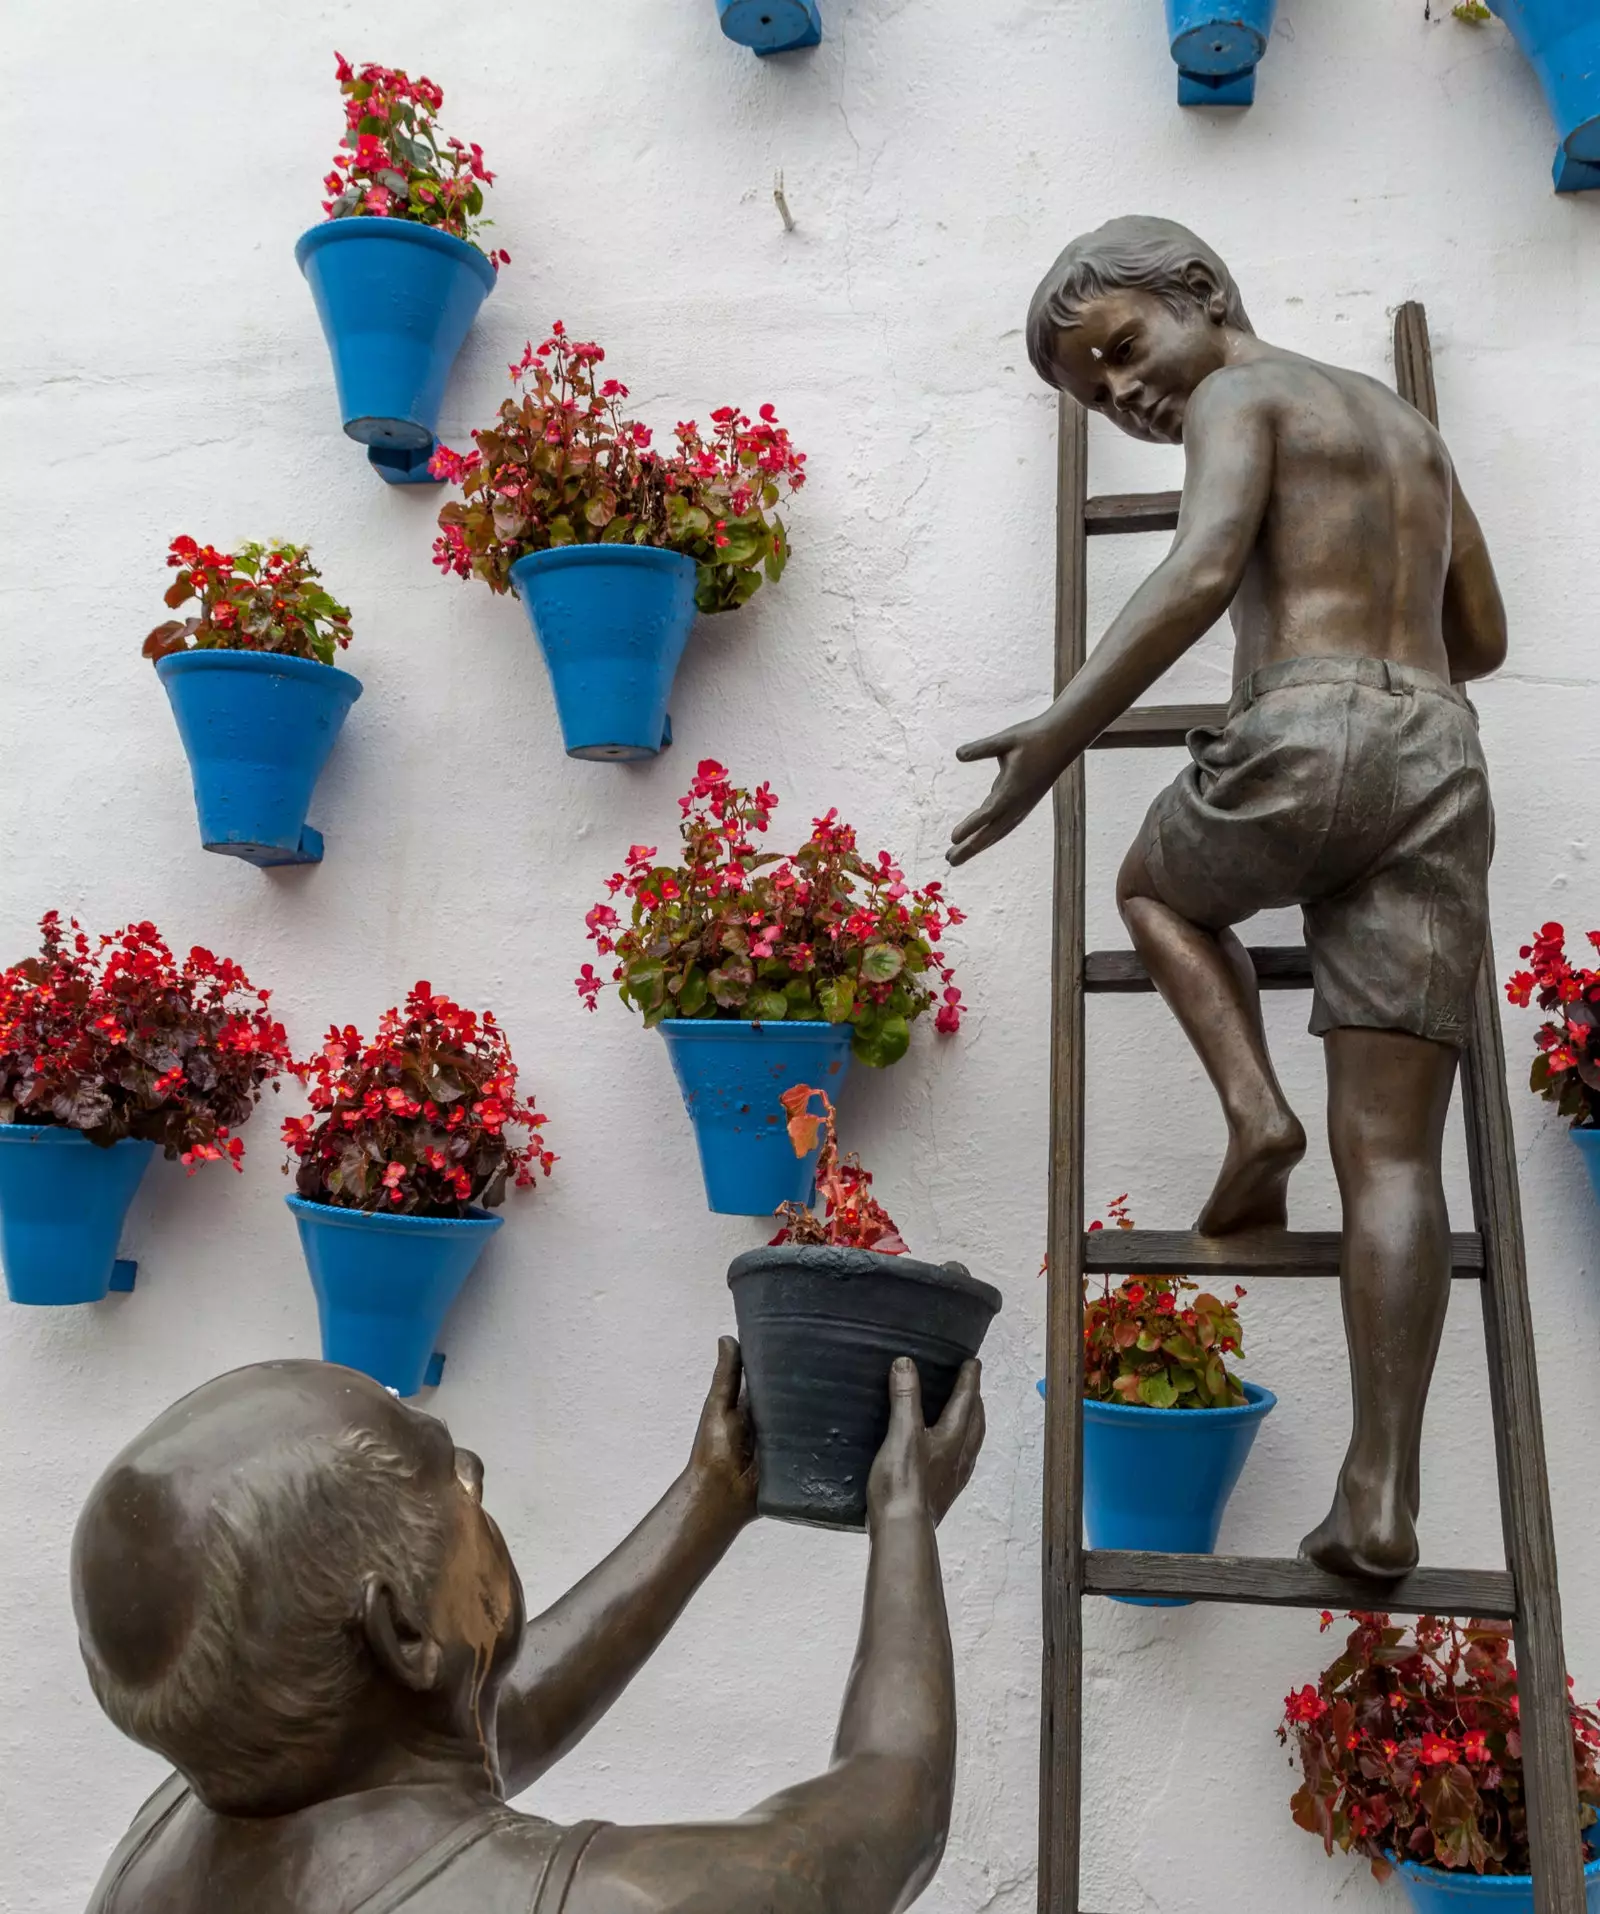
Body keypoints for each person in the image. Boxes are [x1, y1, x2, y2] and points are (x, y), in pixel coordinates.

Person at [948, 215, 1506, 1579]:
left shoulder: (1239, 393)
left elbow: (1201, 568)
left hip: (1306, 729)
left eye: (1124, 351)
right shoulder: (1408, 432)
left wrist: (1054, 736)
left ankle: (1253, 1106)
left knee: (1154, 886)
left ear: (1202, 292)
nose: (1126, 395)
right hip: (1440, 754)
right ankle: (1381, 1492)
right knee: (1395, 1159)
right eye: (1097, 392)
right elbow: (1483, 635)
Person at [75, 1342, 984, 1912]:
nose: (471, 1467)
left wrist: (707, 1504)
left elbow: (478, 1724)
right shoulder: (612, 1900)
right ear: (401, 1632)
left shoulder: (168, 1842)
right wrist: (904, 1517)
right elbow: (891, 1810)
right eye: (440, 1471)